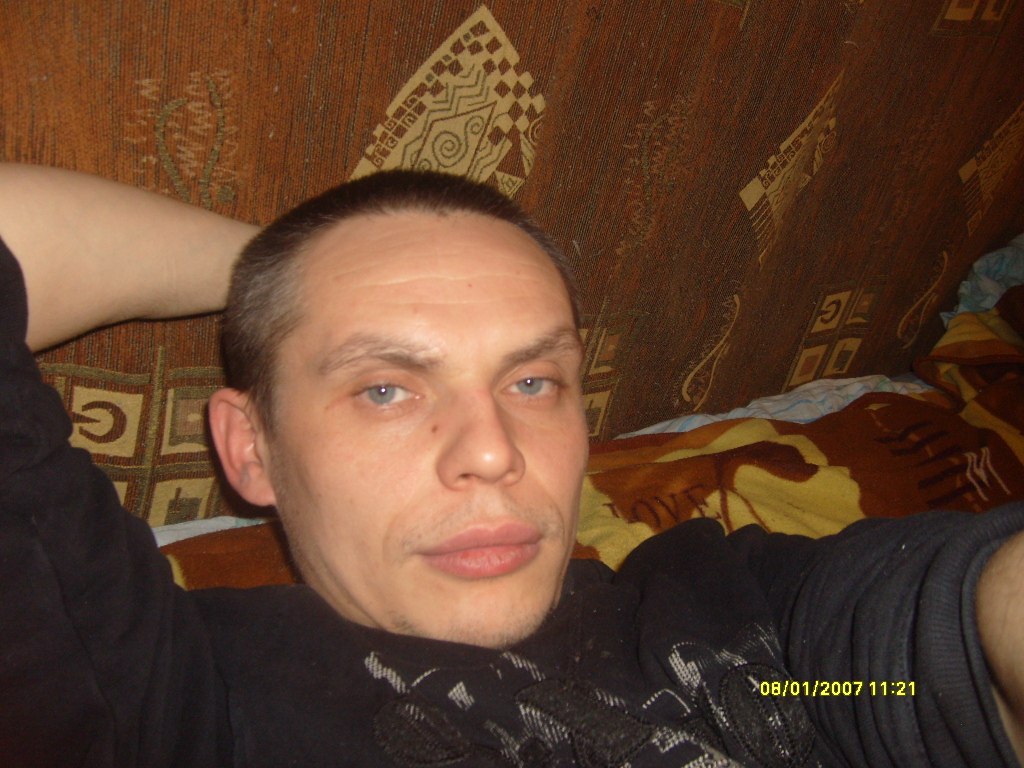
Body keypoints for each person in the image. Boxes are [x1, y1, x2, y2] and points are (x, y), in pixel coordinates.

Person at [1, 162, 1023, 767]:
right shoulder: (173, 701)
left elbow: (936, 649)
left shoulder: (737, 613)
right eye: (385, 389)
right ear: (250, 449)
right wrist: (298, 271)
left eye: (533, 381)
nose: (494, 451)